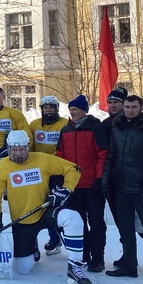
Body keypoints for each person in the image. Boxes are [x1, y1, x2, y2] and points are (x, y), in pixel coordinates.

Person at [0, 130, 91, 284]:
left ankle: (75, 267)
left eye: (22, 149)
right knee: (23, 268)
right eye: (14, 149)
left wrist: (66, 189)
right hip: (23, 220)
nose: (18, 153)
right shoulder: (1, 167)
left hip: (46, 211)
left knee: (73, 218)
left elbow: (73, 168)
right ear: (8, 149)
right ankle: (32, 244)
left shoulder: (42, 159)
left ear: (28, 147)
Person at [102, 95, 143, 284]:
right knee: (126, 230)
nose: (130, 110)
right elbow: (111, 157)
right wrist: (106, 183)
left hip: (141, 190)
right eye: (127, 107)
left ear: (141, 107)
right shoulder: (118, 128)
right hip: (120, 189)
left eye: (134, 107)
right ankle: (129, 265)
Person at [55, 94, 109, 273]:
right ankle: (83, 254)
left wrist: (99, 179)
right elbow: (60, 155)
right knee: (78, 223)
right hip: (73, 186)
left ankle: (98, 258)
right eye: (70, 109)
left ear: (84, 111)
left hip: (92, 184)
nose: (72, 112)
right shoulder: (66, 130)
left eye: (75, 109)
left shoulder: (95, 128)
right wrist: (61, 178)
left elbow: (103, 154)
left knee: (96, 222)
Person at [29, 95, 68, 255]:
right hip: (38, 171)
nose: (49, 110)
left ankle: (58, 236)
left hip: (58, 170)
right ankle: (47, 239)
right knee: (40, 204)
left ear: (57, 108)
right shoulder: (34, 124)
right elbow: (30, 146)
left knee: (56, 205)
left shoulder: (65, 124)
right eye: (46, 108)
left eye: (52, 107)